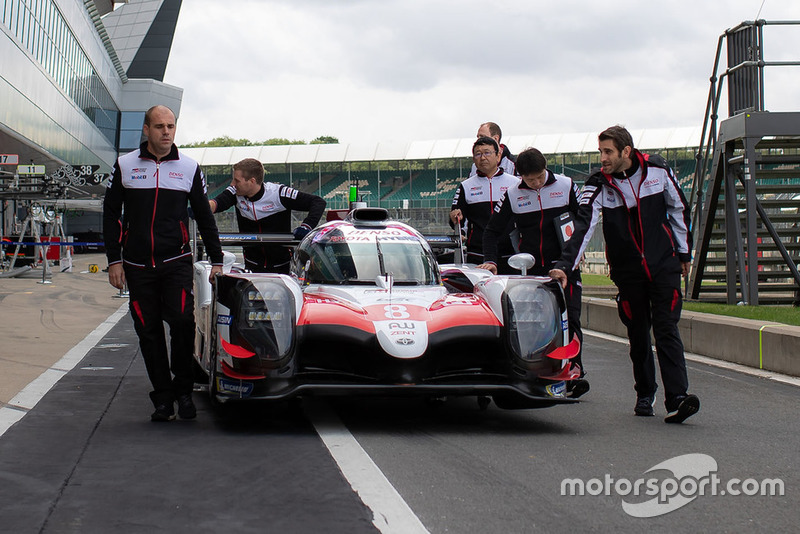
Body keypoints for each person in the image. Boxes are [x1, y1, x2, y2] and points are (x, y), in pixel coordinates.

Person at [550, 125, 699, 423]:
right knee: (638, 333)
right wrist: (566, 265)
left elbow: (679, 209)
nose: (602, 158)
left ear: (626, 152)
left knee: (667, 328)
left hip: (664, 265)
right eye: (600, 151)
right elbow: (582, 225)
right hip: (628, 272)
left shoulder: (658, 171)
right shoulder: (597, 185)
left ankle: (678, 398)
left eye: (608, 152)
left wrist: (684, 253)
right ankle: (645, 392)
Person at [103, 105, 224, 422]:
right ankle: (163, 397)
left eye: (171, 126)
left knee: (183, 322)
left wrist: (217, 259)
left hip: (176, 261)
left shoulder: (188, 167)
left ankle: (184, 390)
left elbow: (203, 215)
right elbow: (111, 214)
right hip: (137, 265)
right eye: (159, 126)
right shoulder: (125, 165)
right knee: (148, 331)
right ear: (146, 130)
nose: (166, 132)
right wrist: (114, 260)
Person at [477, 147, 589, 398]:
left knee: (570, 317)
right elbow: (492, 231)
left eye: (539, 177)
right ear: (520, 176)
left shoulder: (567, 185)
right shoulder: (513, 194)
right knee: (535, 323)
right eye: (530, 180)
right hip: (532, 269)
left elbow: (584, 221)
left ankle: (575, 370)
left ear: (546, 168)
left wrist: (575, 253)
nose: (536, 183)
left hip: (565, 265)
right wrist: (491, 261)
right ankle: (539, 370)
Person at [209, 158, 326, 274]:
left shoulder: (278, 193)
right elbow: (216, 204)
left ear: (252, 181)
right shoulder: (234, 192)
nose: (232, 184)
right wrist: (200, 208)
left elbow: (318, 202)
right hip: (252, 266)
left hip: (283, 266)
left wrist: (306, 226)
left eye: (236, 180)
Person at [450, 137, 519, 267]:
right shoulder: (466, 186)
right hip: (477, 254)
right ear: (473, 159)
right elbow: (456, 219)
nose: (482, 158)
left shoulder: (515, 183)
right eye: (478, 154)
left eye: (487, 153)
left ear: (498, 155)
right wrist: (455, 217)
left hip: (509, 254)